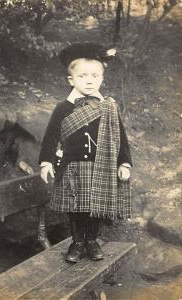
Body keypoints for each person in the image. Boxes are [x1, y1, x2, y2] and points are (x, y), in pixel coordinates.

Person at [39, 43, 132, 263]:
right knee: (75, 207)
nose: (89, 80)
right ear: (71, 80)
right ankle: (77, 242)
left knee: (95, 207)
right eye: (82, 76)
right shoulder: (63, 108)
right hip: (72, 169)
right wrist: (46, 162)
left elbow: (121, 138)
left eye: (94, 76)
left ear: (102, 79)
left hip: (101, 167)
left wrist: (124, 164)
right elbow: (51, 137)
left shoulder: (108, 107)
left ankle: (92, 241)